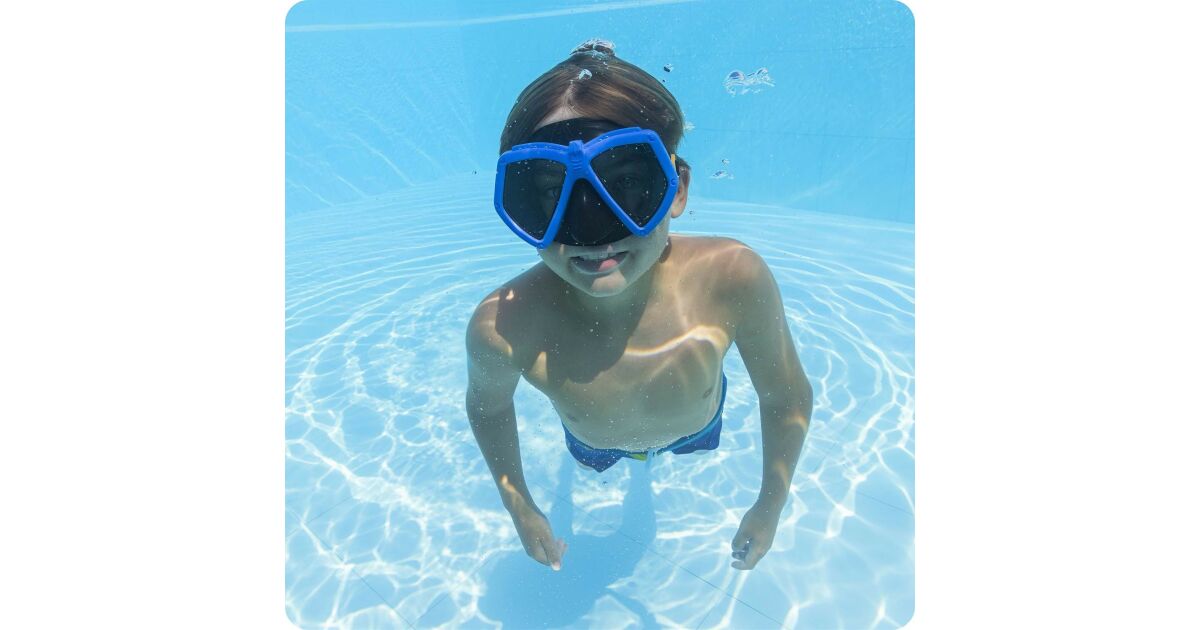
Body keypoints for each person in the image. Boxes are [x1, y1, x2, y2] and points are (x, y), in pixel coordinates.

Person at [465, 39, 812, 572]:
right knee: (604, 461)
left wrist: (770, 505)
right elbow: (488, 409)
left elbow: (785, 396)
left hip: (696, 426)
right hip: (593, 444)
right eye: (551, 193)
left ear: (677, 189)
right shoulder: (503, 328)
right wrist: (521, 507)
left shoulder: (731, 277)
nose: (591, 230)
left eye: (625, 184)